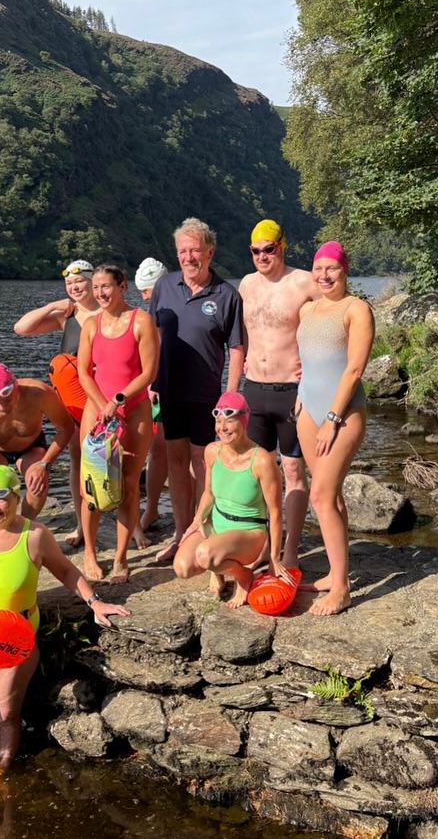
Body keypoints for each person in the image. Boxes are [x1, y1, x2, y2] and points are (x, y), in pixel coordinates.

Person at [0, 465, 129, 791]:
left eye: (2, 497)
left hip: (14, 639)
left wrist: (95, 602)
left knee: (7, 714)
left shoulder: (35, 536)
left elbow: (67, 573)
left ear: (17, 496)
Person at [148, 218, 245, 562]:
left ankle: (205, 529)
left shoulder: (227, 295)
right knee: (175, 461)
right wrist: (150, 381)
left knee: (204, 463)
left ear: (210, 251)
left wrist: (230, 395)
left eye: (195, 250)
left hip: (207, 396)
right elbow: (152, 338)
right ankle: (180, 532)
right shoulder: (164, 287)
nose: (189, 257)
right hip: (168, 393)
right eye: (183, 251)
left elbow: (236, 348)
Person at [296, 241, 375, 616]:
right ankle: (335, 570)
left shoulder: (356, 309)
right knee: (332, 497)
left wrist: (331, 419)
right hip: (307, 412)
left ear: (345, 271)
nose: (324, 276)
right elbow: (308, 362)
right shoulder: (308, 309)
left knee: (321, 496)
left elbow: (354, 370)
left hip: (341, 415)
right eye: (319, 269)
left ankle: (341, 589)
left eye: (332, 269)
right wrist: (300, 398)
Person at [238, 219, 321, 568]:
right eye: (255, 251)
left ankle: (290, 549)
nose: (261, 256)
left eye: (268, 249)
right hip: (254, 389)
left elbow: (336, 317)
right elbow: (242, 333)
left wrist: (316, 366)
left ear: (281, 247)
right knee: (258, 472)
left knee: (292, 471)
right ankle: (265, 545)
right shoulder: (245, 284)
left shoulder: (304, 281)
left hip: (291, 390)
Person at [77, 265, 158, 582]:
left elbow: (148, 372)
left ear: (122, 286)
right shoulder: (91, 325)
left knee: (128, 484)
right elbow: (84, 371)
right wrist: (101, 405)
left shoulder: (141, 321)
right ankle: (90, 553)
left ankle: (121, 559)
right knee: (92, 486)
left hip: (134, 411)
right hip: (96, 412)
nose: (100, 293)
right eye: (95, 287)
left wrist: (118, 401)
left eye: (106, 287)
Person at [13, 259, 101, 547]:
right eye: (70, 284)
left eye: (80, 282)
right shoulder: (68, 316)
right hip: (72, 397)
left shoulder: (106, 314)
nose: (75, 287)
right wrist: (54, 305)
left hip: (101, 394)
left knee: (109, 459)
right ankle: (80, 523)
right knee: (77, 459)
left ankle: (131, 523)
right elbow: (21, 328)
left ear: (92, 282)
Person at [172, 392, 286, 609]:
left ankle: (243, 576)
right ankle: (219, 569)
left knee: (205, 555)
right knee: (182, 568)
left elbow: (276, 512)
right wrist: (197, 521)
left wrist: (274, 558)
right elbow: (209, 492)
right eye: (218, 420)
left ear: (244, 420)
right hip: (216, 524)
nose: (222, 427)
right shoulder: (212, 451)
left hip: (248, 532)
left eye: (230, 420)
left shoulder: (261, 460)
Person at [0, 363, 75, 531]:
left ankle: (20, 527)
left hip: (30, 446)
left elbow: (66, 428)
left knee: (37, 484)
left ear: (16, 387)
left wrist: (45, 464)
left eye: (8, 399)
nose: (3, 407)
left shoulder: (39, 393)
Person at [133, 256, 169, 547]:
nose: (145, 296)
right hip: (159, 388)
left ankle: (159, 508)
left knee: (181, 453)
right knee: (158, 451)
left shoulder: (169, 307)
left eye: (147, 291)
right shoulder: (150, 313)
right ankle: (153, 508)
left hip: (173, 388)